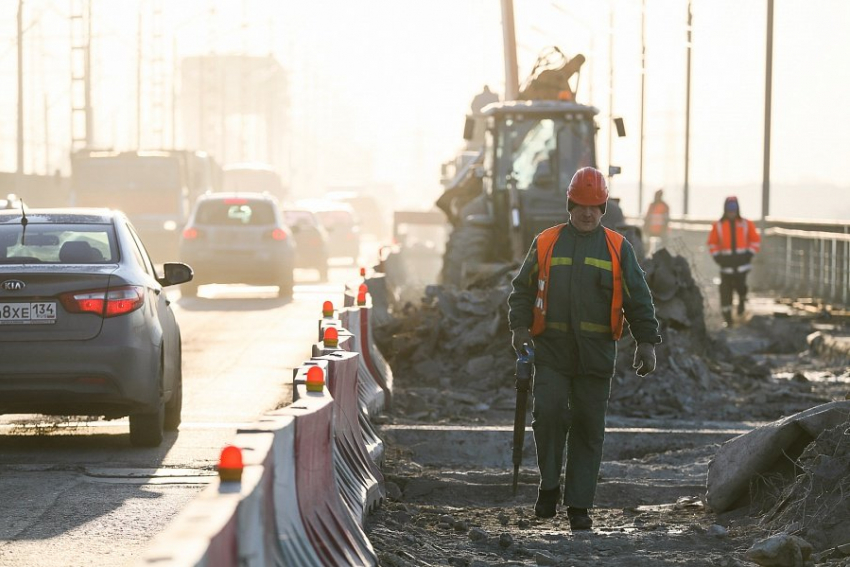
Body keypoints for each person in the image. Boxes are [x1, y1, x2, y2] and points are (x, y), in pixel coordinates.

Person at [507, 167, 661, 529]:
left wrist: (647, 342)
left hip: (596, 355)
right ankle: (549, 485)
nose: (587, 213)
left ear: (604, 207)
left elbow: (639, 300)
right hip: (552, 351)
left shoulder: (618, 248)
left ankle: (579, 506)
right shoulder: (545, 242)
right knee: (548, 414)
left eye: (594, 206)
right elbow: (522, 289)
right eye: (580, 206)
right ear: (569, 205)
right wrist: (518, 327)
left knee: (589, 427)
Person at [707, 196, 761, 326]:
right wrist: (718, 257)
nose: (732, 211)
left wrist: (749, 254)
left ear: (738, 209)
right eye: (729, 208)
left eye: (734, 208)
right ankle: (728, 320)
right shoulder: (718, 225)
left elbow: (755, 240)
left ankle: (742, 301)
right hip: (725, 267)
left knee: (741, 287)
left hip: (742, 266)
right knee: (725, 293)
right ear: (725, 209)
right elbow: (712, 243)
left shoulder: (746, 224)